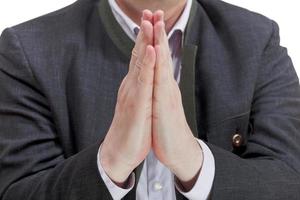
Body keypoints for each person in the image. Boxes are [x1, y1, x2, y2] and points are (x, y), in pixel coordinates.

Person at [0, 0, 299, 199]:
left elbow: (290, 181)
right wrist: (110, 161)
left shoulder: (257, 41)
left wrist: (192, 160)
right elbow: (17, 191)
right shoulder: (27, 50)